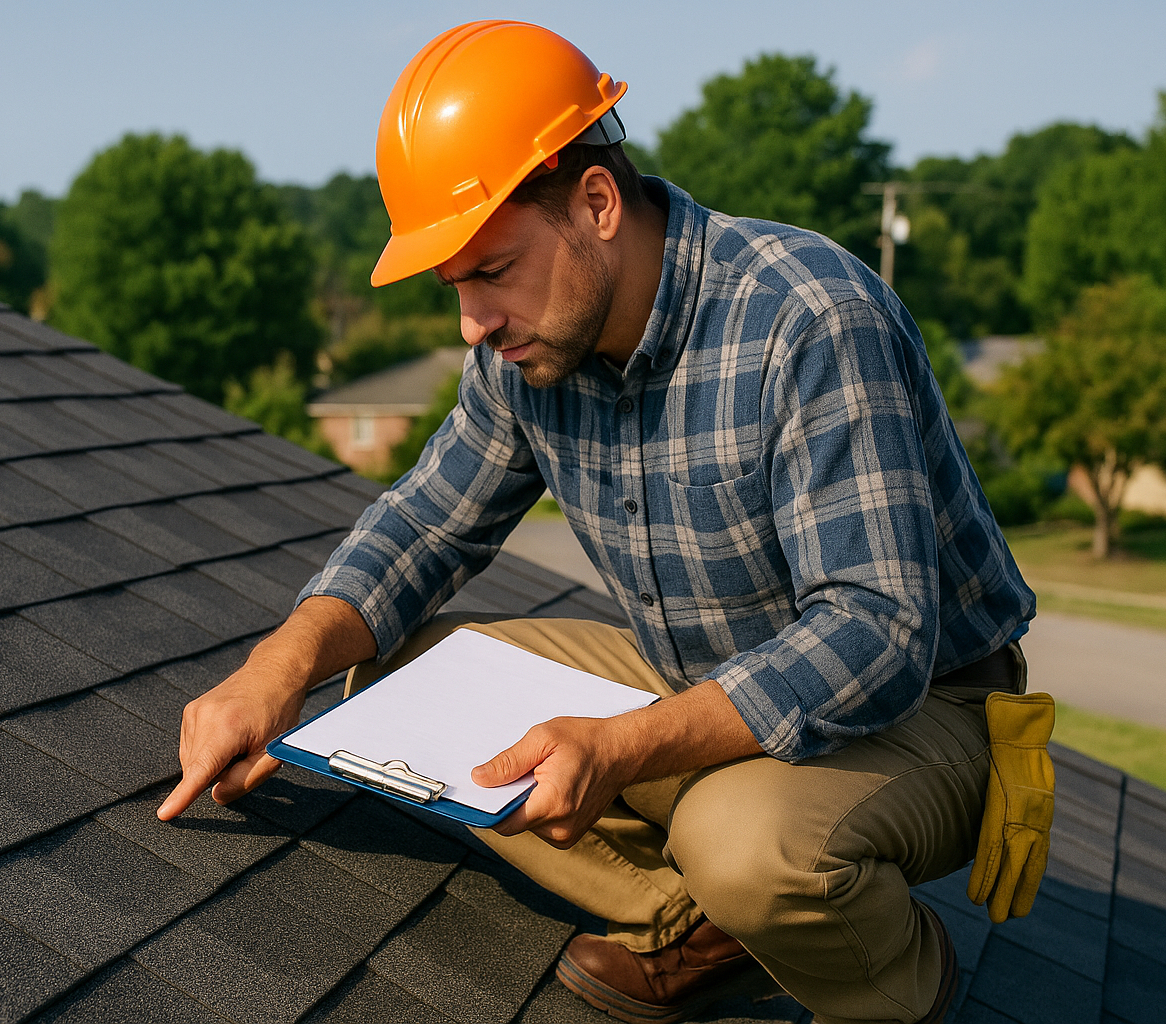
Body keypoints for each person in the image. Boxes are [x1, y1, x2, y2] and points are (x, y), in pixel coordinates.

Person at [158, 20, 1037, 1024]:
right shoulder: (526, 355)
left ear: (597, 202)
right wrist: (273, 671)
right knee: (395, 684)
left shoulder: (807, 318)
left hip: (923, 707)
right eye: (456, 287)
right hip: (699, 677)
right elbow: (424, 527)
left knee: (745, 844)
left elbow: (876, 633)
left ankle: (901, 980)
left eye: (491, 271)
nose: (472, 325)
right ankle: (694, 922)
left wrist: (622, 749)